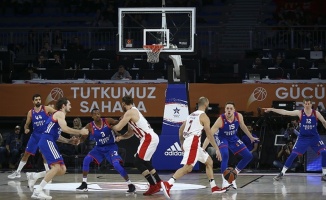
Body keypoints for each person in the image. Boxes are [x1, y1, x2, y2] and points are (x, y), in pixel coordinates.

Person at [160, 97, 226, 199]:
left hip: (190, 141)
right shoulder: (204, 116)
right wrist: (217, 148)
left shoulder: (191, 115)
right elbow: (209, 135)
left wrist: (182, 142)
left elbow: (181, 129)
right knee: (188, 167)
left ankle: (214, 187)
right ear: (206, 104)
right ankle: (168, 183)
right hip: (193, 142)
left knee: (209, 162)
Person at [30, 97, 88, 199]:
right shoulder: (60, 114)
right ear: (63, 106)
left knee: (62, 170)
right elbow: (65, 129)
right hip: (46, 140)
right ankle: (38, 191)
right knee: (56, 167)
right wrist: (80, 131)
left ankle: (35, 176)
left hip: (49, 140)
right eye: (69, 104)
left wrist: (68, 141)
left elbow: (57, 136)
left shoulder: (58, 117)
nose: (71, 106)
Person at [263, 97, 326, 181]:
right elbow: (285, 112)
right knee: (293, 154)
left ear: (311, 104)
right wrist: (271, 109)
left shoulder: (316, 113)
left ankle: (324, 174)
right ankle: (282, 173)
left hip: (314, 137)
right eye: (305, 103)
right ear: (304, 104)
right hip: (303, 138)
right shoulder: (300, 112)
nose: (307, 105)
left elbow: (324, 122)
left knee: (324, 152)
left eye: (308, 104)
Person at [76, 108, 136, 193]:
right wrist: (78, 141)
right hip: (99, 148)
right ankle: (84, 183)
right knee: (86, 159)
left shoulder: (107, 120)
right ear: (92, 116)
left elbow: (119, 123)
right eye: (95, 114)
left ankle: (130, 184)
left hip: (111, 147)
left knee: (116, 165)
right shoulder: (89, 126)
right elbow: (83, 138)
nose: (97, 115)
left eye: (98, 113)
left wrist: (123, 118)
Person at [112, 95, 162, 196]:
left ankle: (153, 185)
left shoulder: (130, 112)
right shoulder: (133, 112)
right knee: (145, 162)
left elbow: (118, 127)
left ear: (123, 103)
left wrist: (110, 126)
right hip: (149, 137)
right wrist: (121, 137)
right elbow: (130, 133)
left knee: (138, 162)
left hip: (148, 138)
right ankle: (158, 182)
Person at [202, 101, 259, 190]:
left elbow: (243, 126)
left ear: (234, 110)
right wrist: (203, 148)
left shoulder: (238, 116)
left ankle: (232, 176)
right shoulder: (221, 119)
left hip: (233, 137)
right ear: (225, 110)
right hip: (222, 138)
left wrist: (251, 137)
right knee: (225, 155)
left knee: (248, 156)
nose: (229, 110)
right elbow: (210, 135)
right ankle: (225, 181)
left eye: (231, 108)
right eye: (227, 108)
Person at [8, 94, 56, 179]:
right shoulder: (31, 112)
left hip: (44, 135)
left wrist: (52, 116)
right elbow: (26, 125)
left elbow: (58, 114)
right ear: (33, 101)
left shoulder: (46, 108)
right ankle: (18, 172)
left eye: (39, 99)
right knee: (26, 154)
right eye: (36, 100)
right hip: (35, 136)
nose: (38, 101)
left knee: (44, 154)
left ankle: (48, 173)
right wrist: (26, 129)